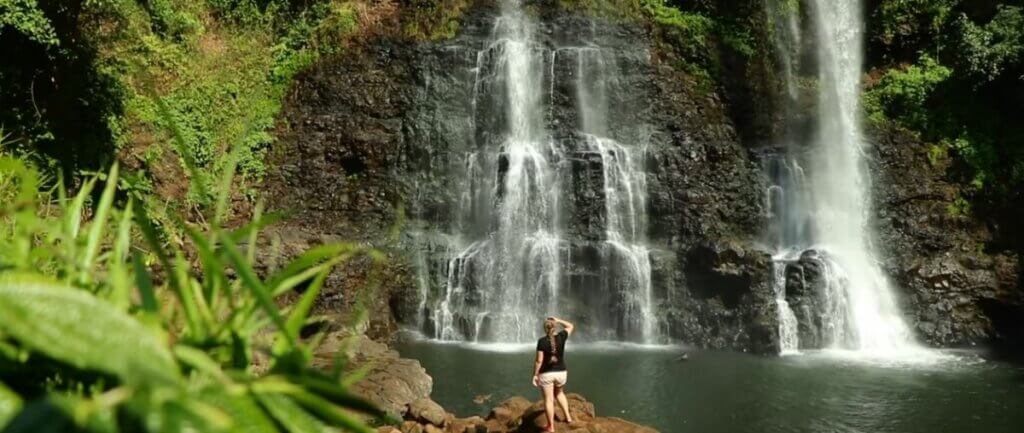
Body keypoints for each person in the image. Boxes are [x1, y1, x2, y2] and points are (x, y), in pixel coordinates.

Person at [531, 316, 575, 432]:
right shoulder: (561, 336)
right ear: (554, 327)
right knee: (560, 393)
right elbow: (570, 326)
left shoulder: (541, 341)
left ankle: (551, 427)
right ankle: (568, 417)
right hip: (561, 372)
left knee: (549, 399)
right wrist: (558, 320)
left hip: (547, 374)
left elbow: (539, 361)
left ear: (545, 329)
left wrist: (535, 375)